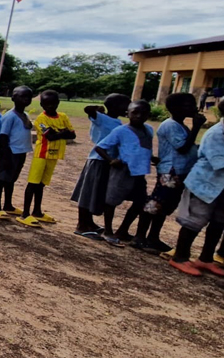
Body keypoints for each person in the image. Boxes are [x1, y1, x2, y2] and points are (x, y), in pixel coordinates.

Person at [133, 93, 202, 253]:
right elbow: (182, 147)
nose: (194, 108)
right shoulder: (170, 125)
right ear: (175, 108)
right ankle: (140, 237)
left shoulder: (180, 125)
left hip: (179, 172)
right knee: (155, 204)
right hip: (171, 172)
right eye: (189, 106)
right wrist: (196, 127)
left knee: (165, 206)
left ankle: (153, 237)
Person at [169, 100, 224, 277]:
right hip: (205, 183)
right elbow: (219, 161)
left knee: (219, 222)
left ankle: (206, 258)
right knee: (195, 220)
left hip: (221, 188)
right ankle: (180, 257)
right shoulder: (217, 133)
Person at [92, 100, 155, 247]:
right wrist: (111, 160)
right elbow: (100, 147)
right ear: (128, 114)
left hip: (139, 173)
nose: (139, 116)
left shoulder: (149, 130)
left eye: (143, 113)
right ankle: (108, 230)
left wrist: (151, 158)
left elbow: (141, 148)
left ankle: (123, 230)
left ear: (148, 115)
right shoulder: (121, 130)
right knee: (111, 201)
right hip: (122, 171)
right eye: (135, 113)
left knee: (140, 202)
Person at [70, 94, 131, 237]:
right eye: (126, 105)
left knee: (97, 193)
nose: (129, 108)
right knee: (88, 192)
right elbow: (88, 109)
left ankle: (89, 222)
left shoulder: (117, 121)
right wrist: (97, 110)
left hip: (108, 162)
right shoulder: (102, 118)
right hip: (98, 160)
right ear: (115, 106)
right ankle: (82, 225)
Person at [15, 89, 76, 228]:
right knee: (33, 183)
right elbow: (50, 136)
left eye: (53, 104)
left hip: (53, 156)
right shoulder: (41, 119)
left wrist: (59, 133)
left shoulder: (63, 116)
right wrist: (63, 132)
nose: (50, 107)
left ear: (58, 103)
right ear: (42, 105)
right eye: (47, 104)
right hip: (41, 155)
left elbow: (72, 135)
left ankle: (37, 211)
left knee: (42, 184)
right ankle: (25, 213)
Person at [0, 86, 34, 219]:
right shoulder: (10, 116)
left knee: (11, 180)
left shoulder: (25, 115)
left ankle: (8, 205)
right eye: (22, 96)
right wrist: (3, 157)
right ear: (13, 98)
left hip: (20, 152)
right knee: (2, 179)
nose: (26, 99)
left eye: (28, 97)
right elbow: (3, 137)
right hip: (10, 153)